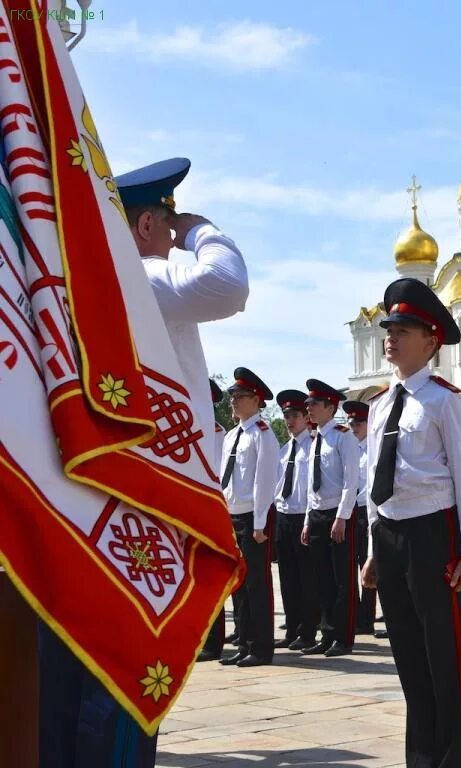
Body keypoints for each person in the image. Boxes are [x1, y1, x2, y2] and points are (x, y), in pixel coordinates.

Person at [38, 158, 249, 767]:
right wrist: (202, 230)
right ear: (149, 223)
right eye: (170, 220)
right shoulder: (136, 277)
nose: (175, 233)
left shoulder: (65, 283)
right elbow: (227, 285)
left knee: (67, 673)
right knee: (127, 667)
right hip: (142, 496)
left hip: (81, 499)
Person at [361, 277, 461, 767]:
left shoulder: (443, 399)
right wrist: (373, 549)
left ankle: (457, 759)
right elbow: (374, 479)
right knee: (409, 658)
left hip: (434, 533)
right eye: (389, 328)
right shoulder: (378, 404)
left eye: (404, 329)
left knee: (446, 659)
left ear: (431, 340)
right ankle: (422, 758)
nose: (391, 337)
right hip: (390, 536)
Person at [218, 368, 280, 668]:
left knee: (257, 583)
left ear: (255, 400)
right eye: (232, 397)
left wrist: (258, 524)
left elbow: (264, 481)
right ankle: (243, 642)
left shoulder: (262, 435)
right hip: (232, 515)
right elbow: (224, 479)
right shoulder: (232, 435)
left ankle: (261, 647)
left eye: (239, 397)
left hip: (254, 518)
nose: (233, 402)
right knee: (238, 584)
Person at [301, 380, 359, 657]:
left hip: (338, 514)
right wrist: (307, 521)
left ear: (330, 407)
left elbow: (351, 481)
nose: (308, 408)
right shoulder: (315, 439)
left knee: (342, 578)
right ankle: (326, 634)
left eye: (314, 404)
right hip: (317, 514)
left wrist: (342, 517)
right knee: (321, 577)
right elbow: (311, 483)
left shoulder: (342, 436)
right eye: (308, 404)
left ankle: (343, 637)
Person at [273, 389, 321, 652]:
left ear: (306, 418)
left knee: (307, 579)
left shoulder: (313, 446)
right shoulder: (284, 449)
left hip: (303, 516)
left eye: (294, 415)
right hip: (283, 516)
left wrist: (307, 520)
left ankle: (308, 631)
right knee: (287, 578)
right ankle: (291, 629)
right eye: (286, 416)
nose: (289, 421)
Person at [198, 378, 229, 662]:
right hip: (190, 512)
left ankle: (213, 640)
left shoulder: (218, 434)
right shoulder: (190, 427)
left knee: (211, 578)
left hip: (211, 512)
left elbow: (218, 479)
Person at [342, 400, 378, 635]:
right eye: (351, 422)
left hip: (368, 511)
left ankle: (366, 618)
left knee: (369, 564)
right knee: (349, 566)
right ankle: (354, 615)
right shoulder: (349, 449)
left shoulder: (374, 449)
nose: (353, 426)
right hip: (350, 511)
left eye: (359, 422)